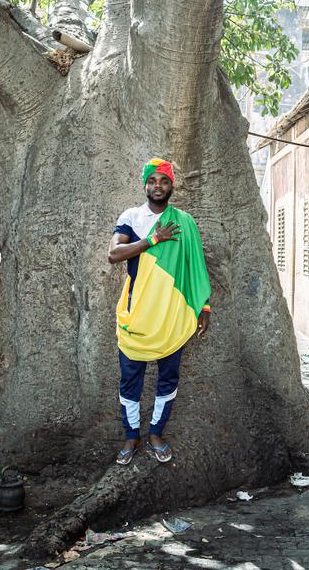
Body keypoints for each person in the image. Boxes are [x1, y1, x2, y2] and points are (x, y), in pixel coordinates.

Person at [107, 158, 211, 464]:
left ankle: (155, 433)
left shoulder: (184, 222)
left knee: (168, 378)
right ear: (145, 185)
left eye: (163, 181)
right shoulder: (132, 217)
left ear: (172, 185)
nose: (157, 186)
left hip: (171, 315)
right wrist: (153, 239)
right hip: (136, 314)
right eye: (152, 181)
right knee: (130, 380)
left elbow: (195, 267)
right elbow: (114, 253)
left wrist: (203, 305)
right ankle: (131, 436)